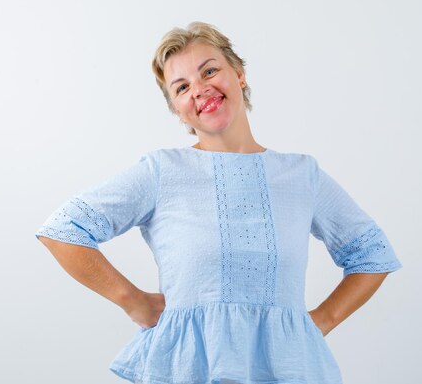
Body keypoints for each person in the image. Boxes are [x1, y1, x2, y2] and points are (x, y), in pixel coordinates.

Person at [35, 21, 402, 384]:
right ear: (177, 110)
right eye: (181, 87)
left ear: (239, 74)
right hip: (188, 370)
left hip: (289, 371)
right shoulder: (163, 171)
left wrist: (322, 320)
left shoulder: (301, 175)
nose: (199, 89)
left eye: (209, 70)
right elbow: (63, 230)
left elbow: (372, 253)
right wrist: (132, 300)